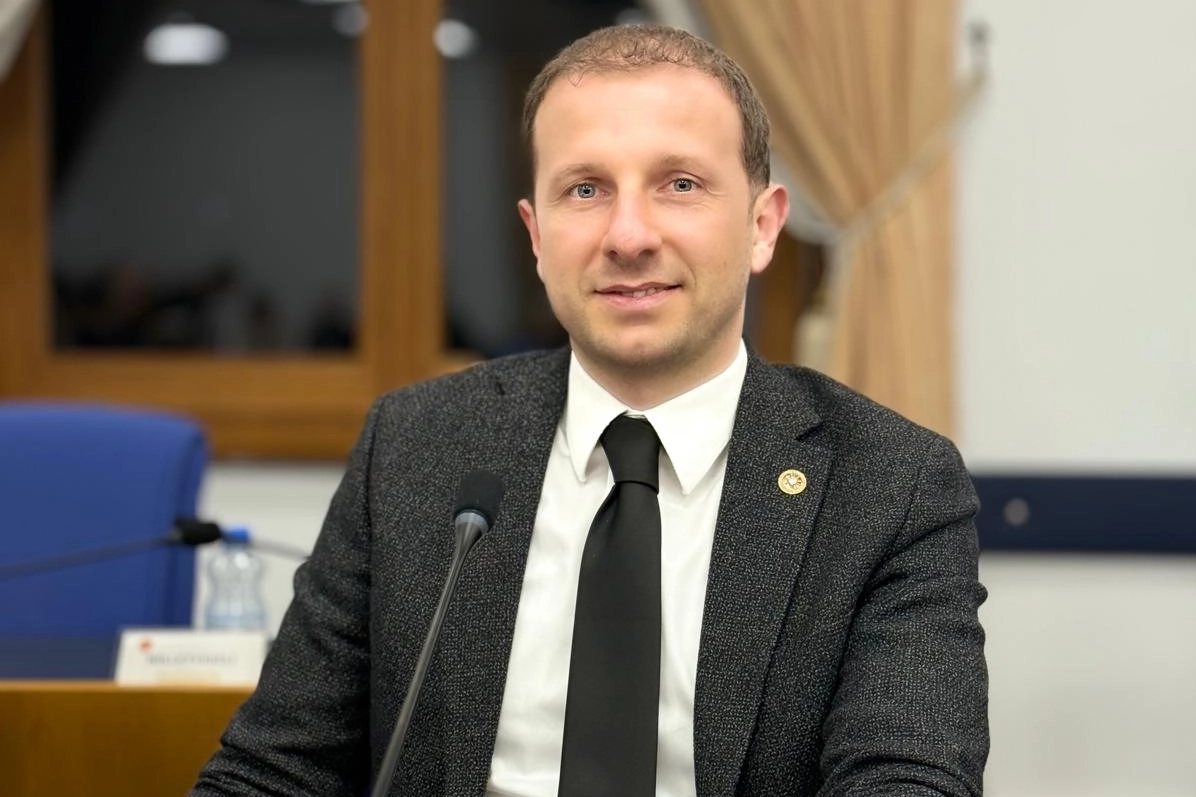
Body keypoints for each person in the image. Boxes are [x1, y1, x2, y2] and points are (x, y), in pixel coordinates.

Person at [192, 24, 988, 797]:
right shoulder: (415, 448)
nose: (629, 235)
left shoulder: (890, 484)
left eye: (680, 184)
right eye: (585, 190)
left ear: (762, 225)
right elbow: (274, 770)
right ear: (536, 236)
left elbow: (905, 779)